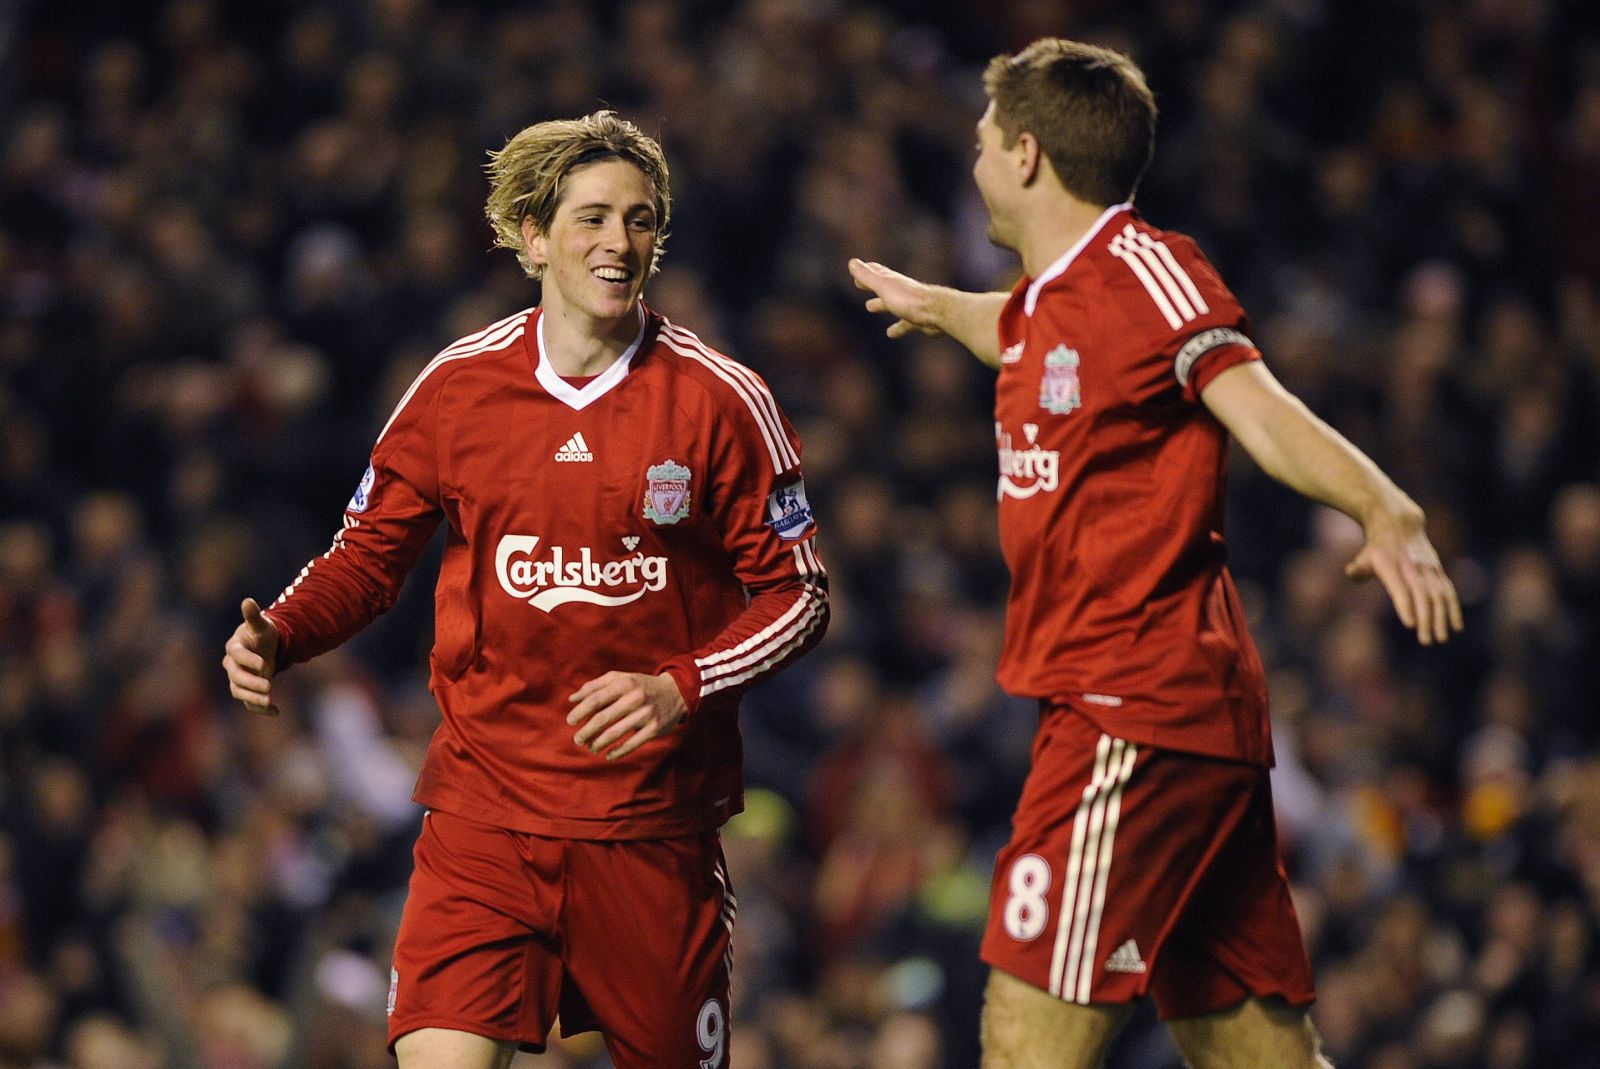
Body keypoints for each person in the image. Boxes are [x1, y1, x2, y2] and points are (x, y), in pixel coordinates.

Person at [849, 39, 1461, 1069]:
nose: (973, 164)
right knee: (1250, 1048)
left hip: (1130, 709)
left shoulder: (1146, 267)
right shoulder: (1051, 299)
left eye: (982, 143)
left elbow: (1255, 411)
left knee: (1024, 1027)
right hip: (1176, 720)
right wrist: (943, 307)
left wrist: (1382, 504)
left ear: (1029, 154)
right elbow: (1035, 338)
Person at [222, 111, 828, 1069]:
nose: (617, 243)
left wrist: (680, 686)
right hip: (485, 814)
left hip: (649, 828)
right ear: (534, 236)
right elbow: (367, 554)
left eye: (638, 220)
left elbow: (799, 595)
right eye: (591, 219)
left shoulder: (721, 400)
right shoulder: (457, 390)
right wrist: (282, 632)